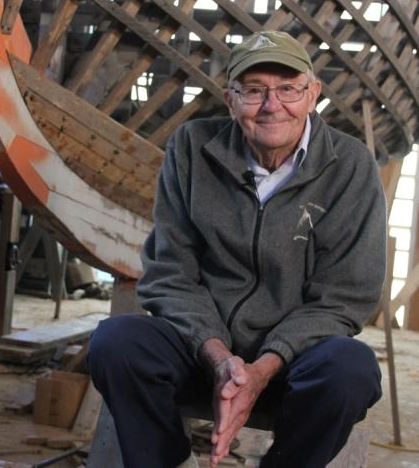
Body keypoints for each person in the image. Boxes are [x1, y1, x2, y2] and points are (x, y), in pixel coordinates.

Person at [88, 30, 386, 468]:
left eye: (288, 89)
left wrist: (264, 368)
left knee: (351, 371)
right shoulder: (192, 148)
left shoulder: (351, 166)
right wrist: (220, 359)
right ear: (230, 100)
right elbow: (170, 273)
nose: (272, 105)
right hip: (202, 354)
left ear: (312, 94)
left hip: (293, 366)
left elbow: (345, 298)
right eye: (253, 91)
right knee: (115, 343)